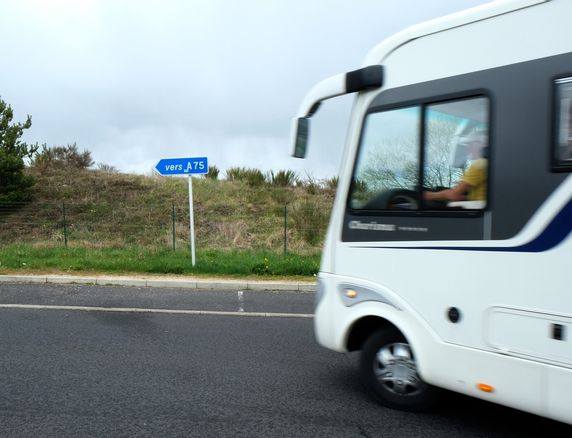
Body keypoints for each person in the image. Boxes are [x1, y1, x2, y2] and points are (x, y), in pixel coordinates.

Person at [424, 133, 487, 203]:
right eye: (467, 145)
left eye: (471, 144)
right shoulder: (489, 163)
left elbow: (453, 195)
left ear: (483, 145)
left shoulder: (480, 164)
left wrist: (429, 195)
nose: (468, 148)